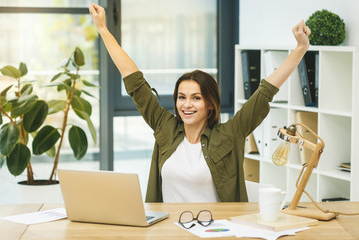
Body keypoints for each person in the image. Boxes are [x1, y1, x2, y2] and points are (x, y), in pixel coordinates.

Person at [89, 3, 311, 203]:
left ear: (210, 104)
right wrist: (103, 30)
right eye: (181, 97)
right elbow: (134, 81)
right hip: (169, 230)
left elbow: (265, 92)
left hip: (214, 230)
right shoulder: (165, 128)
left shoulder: (229, 134)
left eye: (196, 98)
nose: (187, 105)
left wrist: (300, 48)